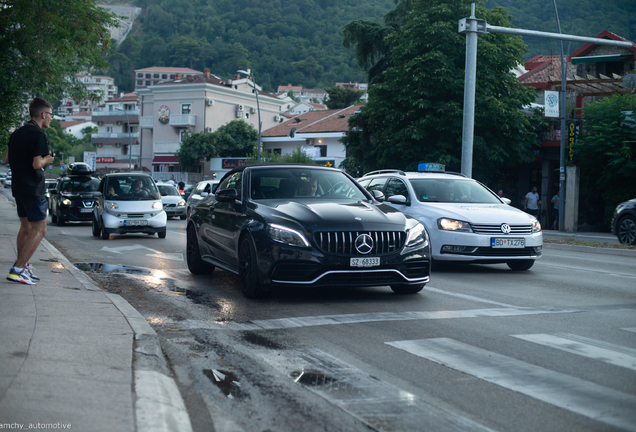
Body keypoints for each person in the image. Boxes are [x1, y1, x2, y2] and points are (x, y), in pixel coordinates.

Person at [4, 98, 56, 285]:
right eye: (50, 114)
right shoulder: (38, 135)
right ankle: (18, 269)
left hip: (18, 187)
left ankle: (23, 267)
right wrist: (47, 160)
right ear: (43, 115)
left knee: (26, 228)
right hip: (34, 189)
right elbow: (36, 164)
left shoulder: (17, 133)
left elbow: (7, 159)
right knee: (40, 229)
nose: (51, 118)